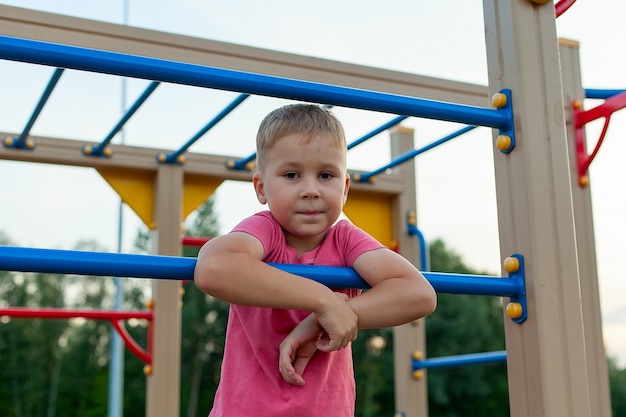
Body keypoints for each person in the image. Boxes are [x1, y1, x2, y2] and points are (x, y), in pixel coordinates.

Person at [194, 103, 437, 417]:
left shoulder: (346, 239)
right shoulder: (265, 231)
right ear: (261, 187)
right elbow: (213, 267)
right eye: (292, 175)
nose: (311, 190)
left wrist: (325, 319)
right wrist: (324, 301)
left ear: (345, 187)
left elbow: (419, 294)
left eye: (326, 175)